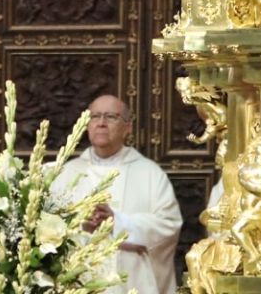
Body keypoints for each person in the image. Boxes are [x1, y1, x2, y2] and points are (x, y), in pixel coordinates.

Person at [61, 94, 182, 294]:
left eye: (110, 117)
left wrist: (118, 223)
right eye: (95, 116)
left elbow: (169, 225)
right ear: (86, 125)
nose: (101, 123)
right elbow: (47, 228)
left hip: (130, 284)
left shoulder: (149, 173)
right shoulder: (65, 174)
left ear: (128, 127)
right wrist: (78, 224)